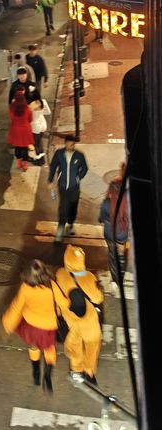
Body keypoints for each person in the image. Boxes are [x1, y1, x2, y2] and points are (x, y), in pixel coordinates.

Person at [2, 259, 64, 392]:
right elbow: (64, 304)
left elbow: (17, 306)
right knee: (49, 349)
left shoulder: (25, 287)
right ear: (45, 272)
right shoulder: (51, 286)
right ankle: (47, 375)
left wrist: (9, 321)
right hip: (48, 326)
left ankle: (36, 373)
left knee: (33, 346)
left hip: (30, 324)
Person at [55, 245, 103, 384]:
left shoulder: (60, 274)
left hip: (71, 320)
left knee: (74, 346)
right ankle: (89, 372)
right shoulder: (88, 277)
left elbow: (58, 296)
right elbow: (97, 298)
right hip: (89, 322)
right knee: (92, 346)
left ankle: (77, 371)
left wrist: (58, 314)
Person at [48, 135, 89, 241]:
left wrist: (78, 178)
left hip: (74, 187)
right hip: (62, 187)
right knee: (63, 207)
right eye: (69, 144)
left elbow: (84, 168)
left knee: (73, 207)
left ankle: (70, 224)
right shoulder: (59, 154)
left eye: (73, 144)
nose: (71, 146)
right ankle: (60, 228)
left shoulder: (79, 155)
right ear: (65, 143)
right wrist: (50, 181)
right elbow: (53, 167)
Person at [99, 162, 130, 294]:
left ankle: (113, 281)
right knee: (121, 255)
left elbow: (101, 217)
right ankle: (120, 280)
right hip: (121, 232)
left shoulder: (107, 202)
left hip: (109, 231)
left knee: (112, 255)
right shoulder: (128, 198)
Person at [7, 90, 33, 171]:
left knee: (17, 147)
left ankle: (19, 163)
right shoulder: (27, 108)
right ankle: (25, 165)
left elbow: (11, 118)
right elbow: (30, 119)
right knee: (25, 148)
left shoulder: (12, 108)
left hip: (15, 129)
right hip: (25, 130)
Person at [29, 95, 51, 165]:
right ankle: (42, 159)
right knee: (39, 142)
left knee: (36, 144)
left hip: (35, 127)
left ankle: (39, 160)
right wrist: (41, 111)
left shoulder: (32, 105)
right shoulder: (43, 102)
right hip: (43, 124)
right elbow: (48, 112)